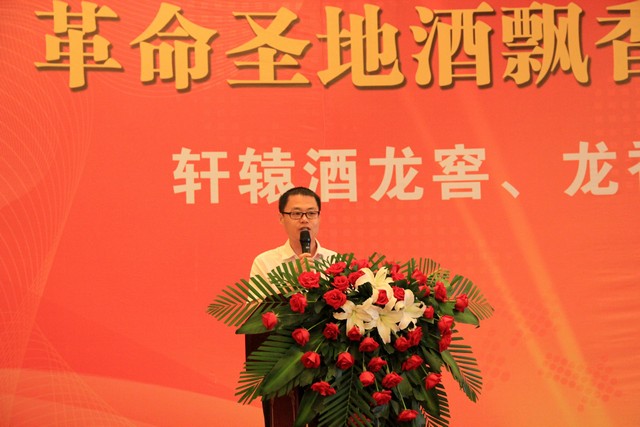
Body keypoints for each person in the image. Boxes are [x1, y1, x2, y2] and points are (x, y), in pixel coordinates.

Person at [247, 186, 336, 427]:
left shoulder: (335, 261)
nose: (304, 220)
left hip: (327, 361)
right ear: (281, 218)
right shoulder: (266, 262)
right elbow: (256, 313)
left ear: (319, 217)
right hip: (283, 362)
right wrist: (294, 281)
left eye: (311, 213)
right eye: (296, 213)